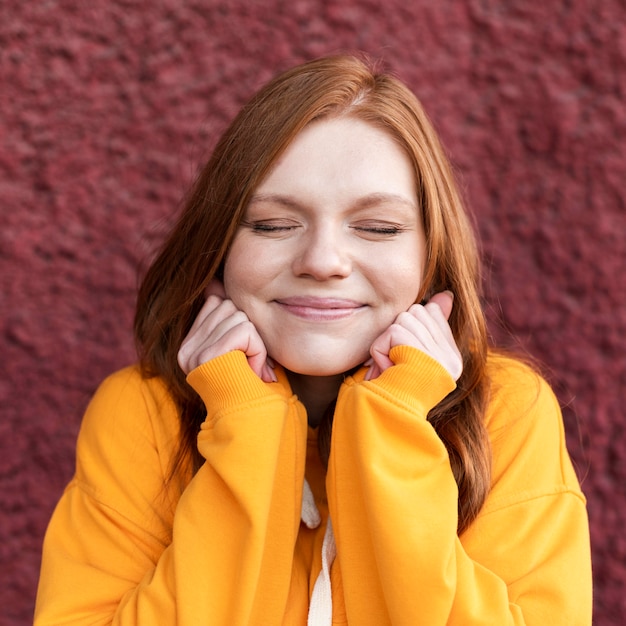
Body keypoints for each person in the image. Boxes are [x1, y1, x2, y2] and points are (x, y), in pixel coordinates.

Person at [34, 54, 592, 625]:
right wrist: (244, 429)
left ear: (430, 255)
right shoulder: (140, 416)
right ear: (219, 247)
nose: (323, 261)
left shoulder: (506, 413)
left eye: (378, 228)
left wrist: (393, 428)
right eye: (274, 224)